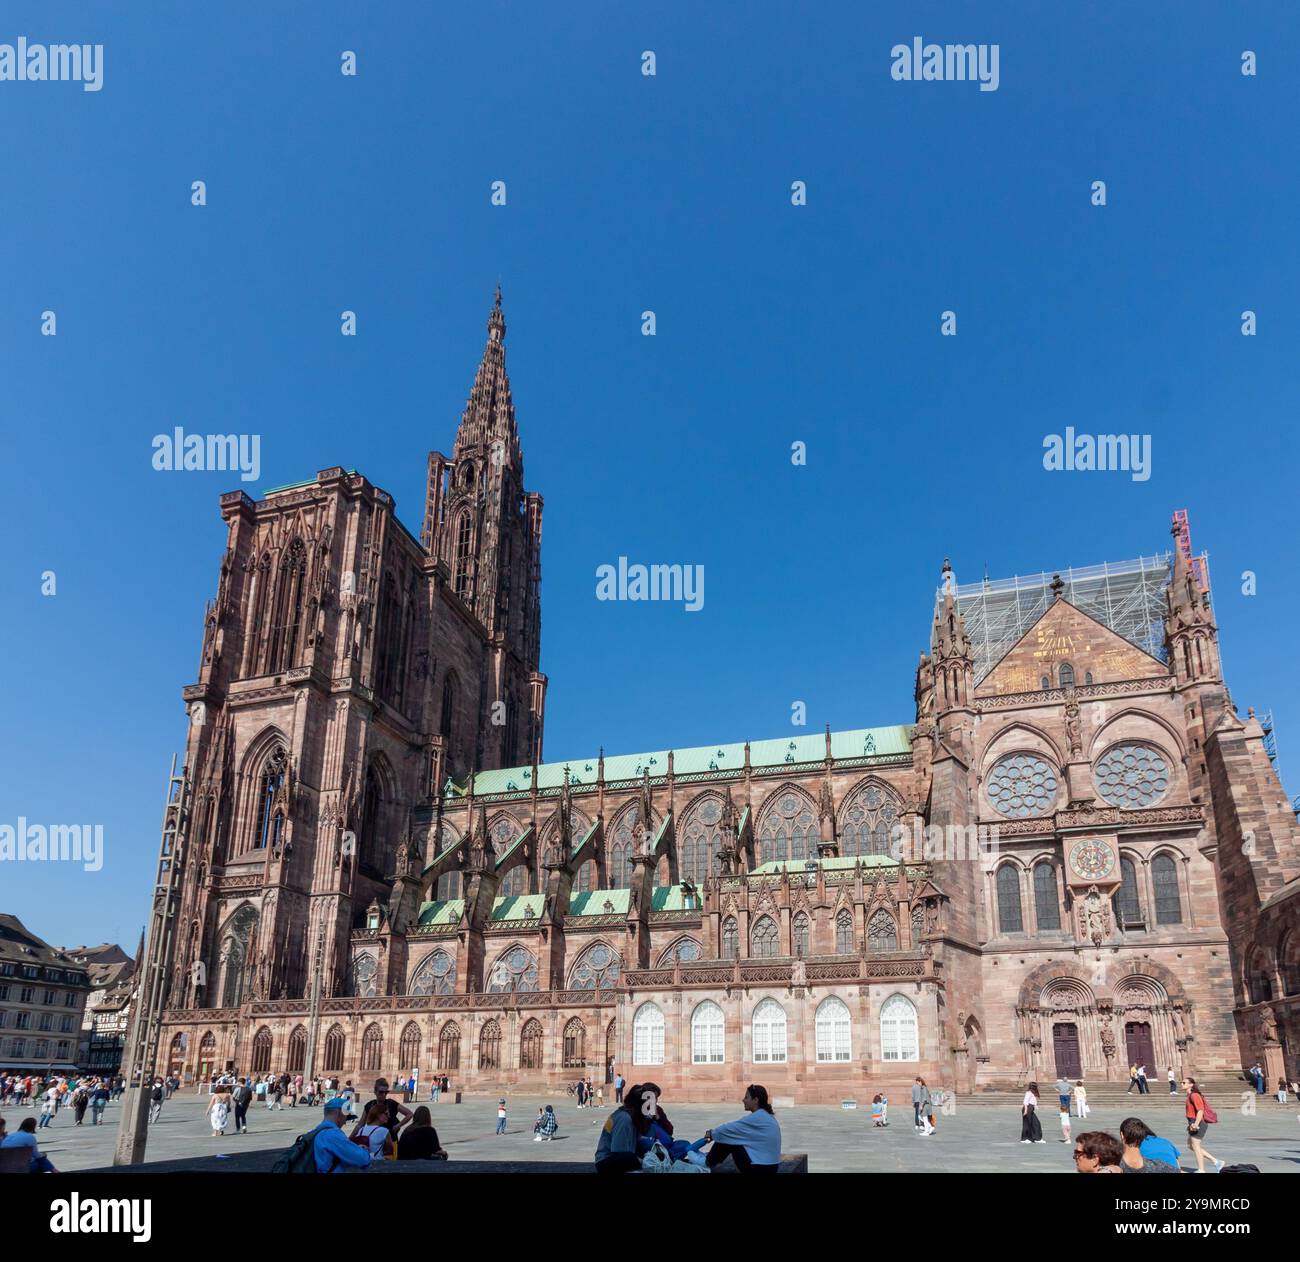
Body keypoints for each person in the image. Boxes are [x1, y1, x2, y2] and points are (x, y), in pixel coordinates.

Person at [705, 1085, 782, 1174]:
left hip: (761, 1169)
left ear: (756, 1100)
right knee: (730, 1135)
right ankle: (708, 1161)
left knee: (729, 1135)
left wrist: (711, 1133)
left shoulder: (758, 1117)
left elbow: (729, 1129)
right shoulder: (766, 1115)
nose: (743, 1100)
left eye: (746, 1097)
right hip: (770, 1167)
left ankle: (706, 1162)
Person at [595, 1084, 652, 1174]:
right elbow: (619, 1153)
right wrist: (640, 1161)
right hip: (606, 1162)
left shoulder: (631, 1116)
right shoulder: (624, 1119)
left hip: (620, 1158)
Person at [312, 1097, 373, 1174]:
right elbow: (363, 1159)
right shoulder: (333, 1134)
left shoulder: (317, 1131)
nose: (345, 1122)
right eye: (346, 1117)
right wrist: (364, 1151)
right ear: (339, 1113)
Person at [1182, 1077, 1224, 1174]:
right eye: (1182, 1082)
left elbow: (1200, 1110)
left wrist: (1196, 1124)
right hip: (1192, 1122)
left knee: (1195, 1146)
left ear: (1191, 1084)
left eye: (1184, 1082)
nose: (1182, 1084)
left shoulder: (1194, 1095)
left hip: (1198, 1122)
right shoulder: (1189, 1096)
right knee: (1191, 1146)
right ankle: (1216, 1161)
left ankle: (1201, 1169)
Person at [355, 1078, 412, 1143]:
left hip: (391, 1141)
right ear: (375, 1092)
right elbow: (360, 1125)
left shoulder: (391, 1103)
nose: (384, 1094)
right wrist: (350, 1139)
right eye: (381, 1092)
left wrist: (398, 1125)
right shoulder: (369, 1105)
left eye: (386, 1092)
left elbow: (409, 1114)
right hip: (373, 1141)